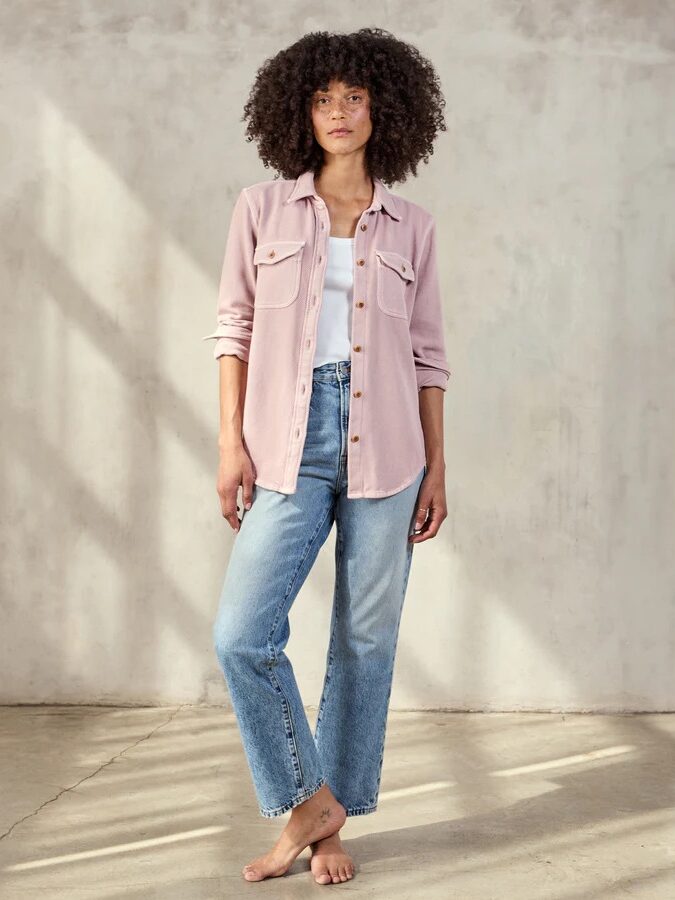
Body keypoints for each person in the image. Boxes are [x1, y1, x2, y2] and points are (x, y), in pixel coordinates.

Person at [203, 27, 451, 885]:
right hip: (285, 440)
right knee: (241, 635)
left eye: (353, 97)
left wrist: (438, 467)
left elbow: (428, 357)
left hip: (390, 448)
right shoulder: (261, 209)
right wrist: (229, 442)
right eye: (321, 98)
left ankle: (330, 824)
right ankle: (308, 802)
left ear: (384, 109)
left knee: (363, 642)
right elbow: (233, 329)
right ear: (298, 112)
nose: (337, 112)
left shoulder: (413, 227)